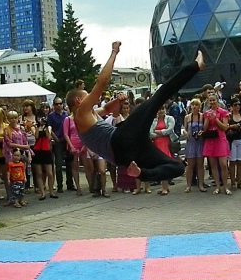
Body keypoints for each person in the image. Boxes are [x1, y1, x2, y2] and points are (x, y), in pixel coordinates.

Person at [67, 42, 204, 182]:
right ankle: (195, 66)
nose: (90, 96)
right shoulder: (81, 112)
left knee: (177, 167)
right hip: (120, 140)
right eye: (86, 95)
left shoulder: (87, 117)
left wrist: (117, 101)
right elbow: (102, 82)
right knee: (158, 98)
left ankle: (140, 173)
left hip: (124, 156)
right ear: (79, 100)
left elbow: (106, 109)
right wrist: (114, 52)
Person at [203, 94, 231, 195]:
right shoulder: (206, 113)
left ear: (217, 101)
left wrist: (215, 119)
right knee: (213, 164)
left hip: (220, 138)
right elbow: (205, 128)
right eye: (210, 101)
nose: (212, 102)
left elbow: (225, 127)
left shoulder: (223, 112)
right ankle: (218, 186)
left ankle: (226, 186)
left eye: (213, 100)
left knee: (223, 164)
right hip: (210, 139)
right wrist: (207, 119)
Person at [48, 97, 75, 193]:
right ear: (54, 105)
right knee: (59, 164)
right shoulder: (51, 116)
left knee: (69, 163)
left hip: (67, 140)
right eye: (56, 104)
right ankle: (60, 185)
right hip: (58, 140)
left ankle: (70, 184)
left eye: (60, 103)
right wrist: (55, 138)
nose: (59, 105)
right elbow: (49, 128)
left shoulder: (66, 114)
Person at [3, 111, 30, 205]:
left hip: (21, 155)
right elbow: (9, 143)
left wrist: (28, 153)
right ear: (8, 119)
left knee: (22, 176)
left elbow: (26, 141)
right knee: (12, 178)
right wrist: (23, 147)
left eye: (15, 117)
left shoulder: (21, 128)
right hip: (11, 155)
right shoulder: (6, 130)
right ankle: (12, 198)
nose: (13, 120)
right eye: (11, 118)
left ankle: (21, 198)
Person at [150, 105, 177, 195]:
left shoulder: (170, 118)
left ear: (165, 109)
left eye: (162, 109)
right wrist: (161, 133)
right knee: (159, 165)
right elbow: (150, 133)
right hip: (156, 144)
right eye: (158, 109)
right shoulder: (153, 120)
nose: (160, 111)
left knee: (164, 165)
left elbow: (169, 130)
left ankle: (165, 188)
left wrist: (158, 132)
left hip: (166, 144)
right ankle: (164, 187)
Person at [182, 98, 206, 193]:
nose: (194, 107)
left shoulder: (203, 116)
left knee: (200, 165)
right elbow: (185, 129)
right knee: (190, 165)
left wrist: (202, 132)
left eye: (196, 105)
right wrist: (185, 132)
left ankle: (201, 184)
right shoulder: (187, 117)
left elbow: (205, 128)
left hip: (200, 142)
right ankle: (188, 186)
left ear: (199, 107)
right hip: (191, 142)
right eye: (192, 105)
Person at [32, 111, 57, 200]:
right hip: (38, 149)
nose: (40, 119)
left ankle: (51, 191)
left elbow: (48, 136)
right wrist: (38, 126)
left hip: (46, 150)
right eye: (39, 118)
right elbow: (36, 136)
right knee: (39, 173)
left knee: (49, 173)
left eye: (42, 118)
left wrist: (46, 126)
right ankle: (42, 193)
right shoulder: (35, 127)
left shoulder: (48, 127)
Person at [227, 98, 241, 190]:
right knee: (232, 162)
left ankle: (239, 182)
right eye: (235, 105)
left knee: (240, 161)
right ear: (231, 106)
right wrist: (232, 126)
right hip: (232, 140)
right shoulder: (229, 116)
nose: (237, 106)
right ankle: (232, 183)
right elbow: (225, 127)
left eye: (239, 104)